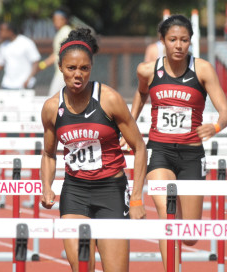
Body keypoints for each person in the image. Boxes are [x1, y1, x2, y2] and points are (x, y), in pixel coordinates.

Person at [41, 28, 147, 272]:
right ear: (60, 67)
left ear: (91, 68)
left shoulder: (108, 99)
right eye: (71, 68)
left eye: (84, 69)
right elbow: (48, 154)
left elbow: (139, 147)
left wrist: (137, 197)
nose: (78, 75)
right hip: (75, 191)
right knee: (81, 267)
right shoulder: (50, 108)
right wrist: (46, 186)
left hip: (110, 190)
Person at [130, 15, 227, 272]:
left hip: (192, 155)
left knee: (190, 234)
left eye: (184, 40)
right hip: (159, 150)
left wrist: (216, 126)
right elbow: (141, 93)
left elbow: (225, 110)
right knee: (167, 216)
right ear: (162, 41)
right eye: (172, 39)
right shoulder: (147, 70)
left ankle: (183, 227)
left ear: (190, 42)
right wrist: (129, 124)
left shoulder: (203, 69)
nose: (178, 45)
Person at [38, 6, 72, 96]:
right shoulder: (61, 32)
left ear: (65, 19)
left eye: (57, 19)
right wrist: (42, 65)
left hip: (64, 73)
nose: (55, 22)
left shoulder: (66, 31)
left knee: (53, 98)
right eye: (54, 20)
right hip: (61, 71)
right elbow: (56, 54)